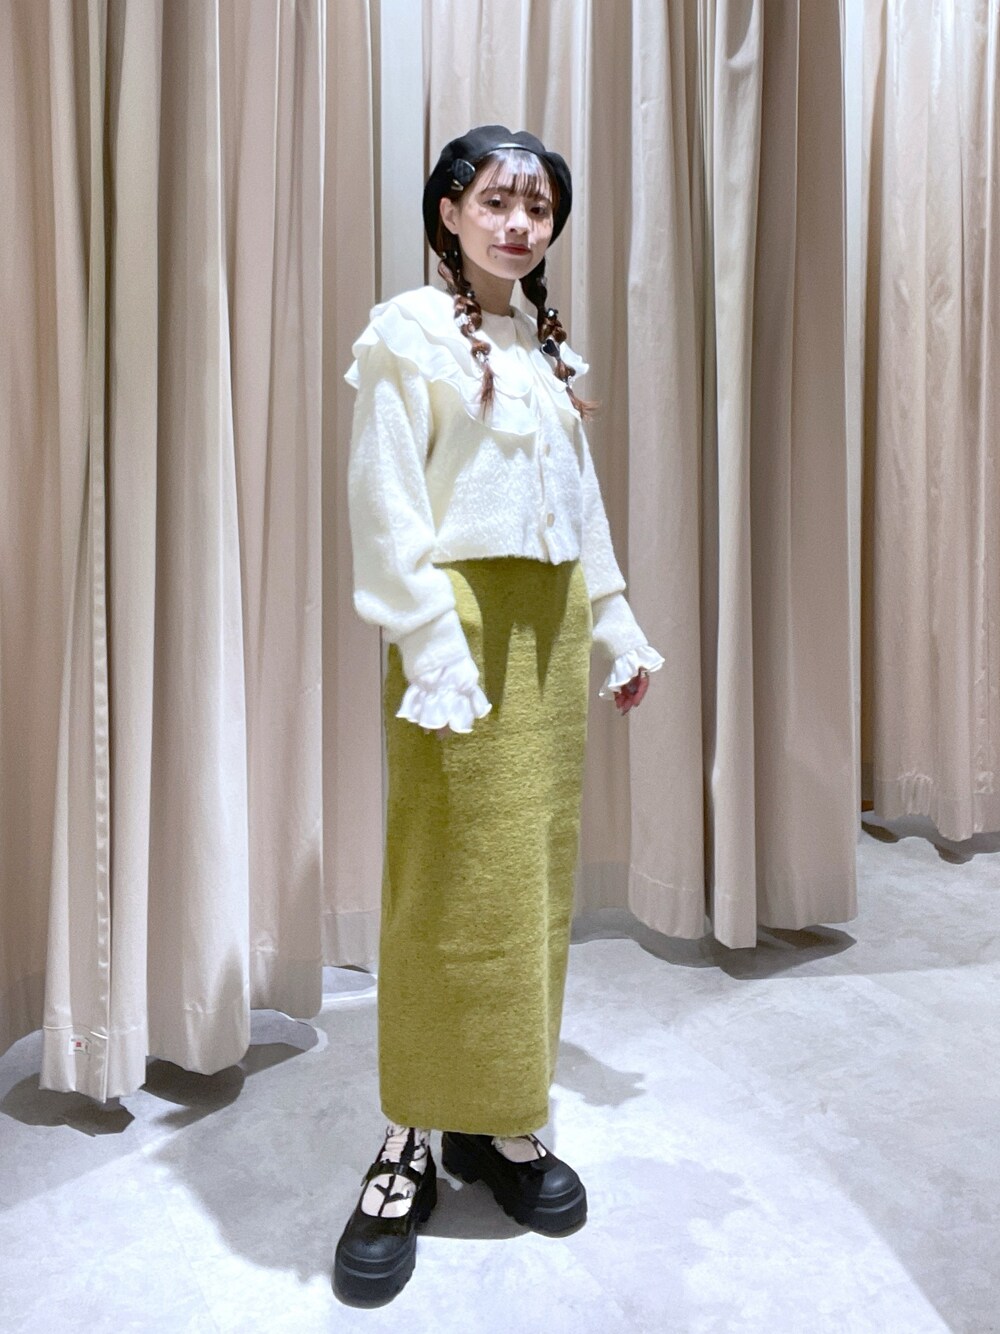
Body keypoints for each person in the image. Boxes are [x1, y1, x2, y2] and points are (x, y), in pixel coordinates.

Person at [333, 125, 664, 1304]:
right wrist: (428, 642)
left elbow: (582, 505)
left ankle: (501, 1115)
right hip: (457, 631)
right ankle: (409, 1133)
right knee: (444, 879)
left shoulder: (546, 350)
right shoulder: (405, 333)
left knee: (528, 877)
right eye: (494, 201)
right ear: (448, 211)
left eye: (537, 206)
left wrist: (615, 622)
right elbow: (385, 503)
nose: (517, 224)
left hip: (552, 627)